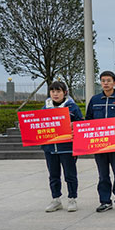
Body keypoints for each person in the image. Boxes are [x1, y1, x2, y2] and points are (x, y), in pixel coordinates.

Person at [85, 71, 115, 212]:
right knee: (103, 174)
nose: (106, 83)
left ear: (114, 83)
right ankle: (105, 201)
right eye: (103, 81)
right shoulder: (95, 100)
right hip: (99, 144)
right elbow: (88, 120)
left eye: (109, 81)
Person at [42, 81, 83, 212]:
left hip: (67, 147)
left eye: (58, 91)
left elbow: (81, 123)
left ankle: (72, 198)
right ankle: (56, 199)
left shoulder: (72, 107)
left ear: (65, 92)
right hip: (50, 148)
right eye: (53, 91)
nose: (55, 94)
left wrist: (73, 125)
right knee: (53, 175)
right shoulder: (45, 108)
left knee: (70, 175)